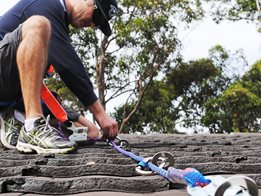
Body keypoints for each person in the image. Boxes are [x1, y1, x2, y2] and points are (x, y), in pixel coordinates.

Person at [0, 0, 119, 154]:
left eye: (97, 24)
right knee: (39, 24)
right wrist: (100, 113)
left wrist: (66, 112)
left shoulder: (55, 26)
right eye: (96, 16)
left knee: (89, 130)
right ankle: (31, 126)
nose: (92, 24)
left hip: (10, 94)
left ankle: (13, 119)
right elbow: (67, 64)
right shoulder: (48, 3)